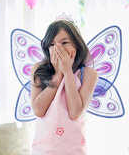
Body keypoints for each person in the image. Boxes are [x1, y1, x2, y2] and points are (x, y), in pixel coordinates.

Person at [30, 19, 99, 155]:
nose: (58, 48)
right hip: (43, 149)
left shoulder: (88, 74)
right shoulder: (38, 70)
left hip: (73, 149)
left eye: (65, 42)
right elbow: (38, 110)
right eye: (52, 44)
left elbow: (75, 112)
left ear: (77, 45)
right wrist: (58, 74)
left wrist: (67, 71)